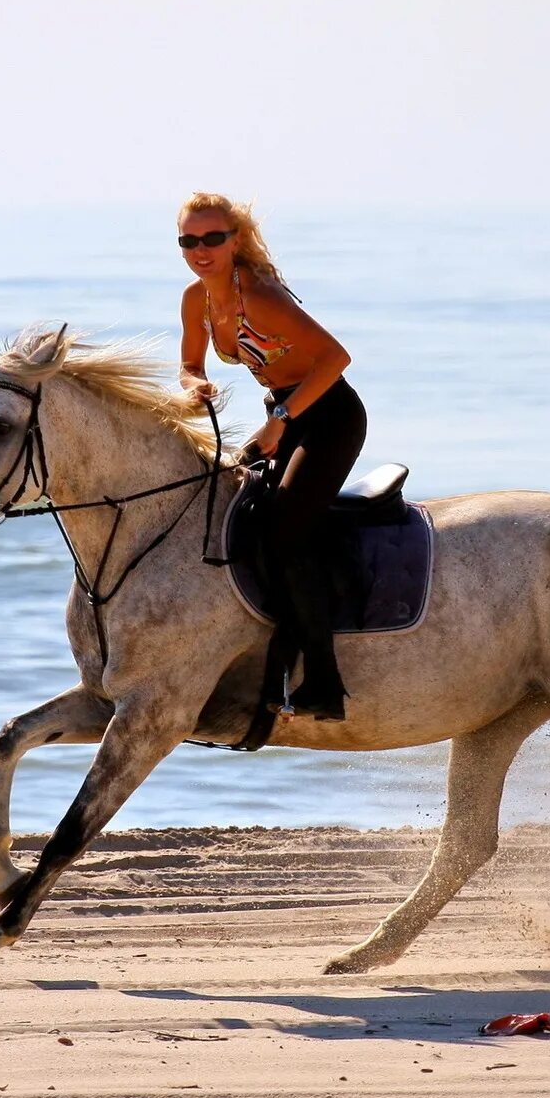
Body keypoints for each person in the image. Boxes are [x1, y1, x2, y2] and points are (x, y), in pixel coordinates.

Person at [176, 191, 367, 721]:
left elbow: (336, 358)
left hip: (328, 416)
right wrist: (197, 385)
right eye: (189, 240)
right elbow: (189, 363)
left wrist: (278, 424)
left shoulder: (259, 295)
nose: (201, 249)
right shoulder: (197, 300)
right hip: (283, 416)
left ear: (234, 241)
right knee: (240, 515)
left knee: (284, 529)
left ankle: (325, 684)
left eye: (213, 238)